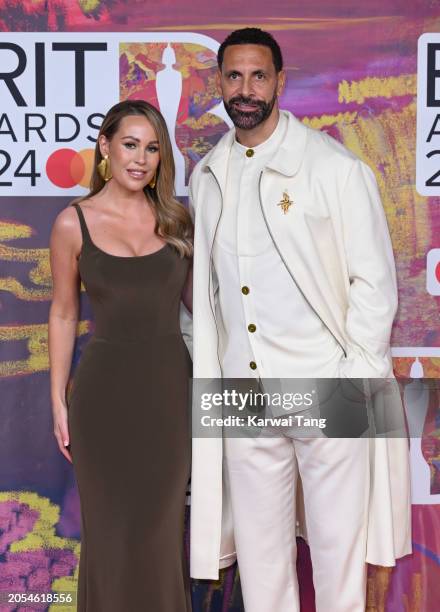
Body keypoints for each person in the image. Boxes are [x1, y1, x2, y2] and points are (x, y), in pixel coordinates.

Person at [188, 28, 411, 611]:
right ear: (219, 83)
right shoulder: (207, 174)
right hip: (243, 393)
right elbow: (209, 295)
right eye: (233, 76)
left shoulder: (333, 167)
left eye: (258, 76)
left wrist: (352, 378)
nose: (245, 89)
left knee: (340, 555)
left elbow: (374, 283)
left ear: (280, 82)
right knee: (262, 563)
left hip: (326, 385)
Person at [48, 100, 193, 612]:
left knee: (158, 537)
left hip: (169, 397)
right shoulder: (73, 224)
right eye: (130, 144)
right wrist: (58, 401)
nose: (141, 158)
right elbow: (64, 313)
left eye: (152, 148)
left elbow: (208, 313)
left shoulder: (177, 220)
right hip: (102, 400)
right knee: (109, 539)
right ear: (105, 147)